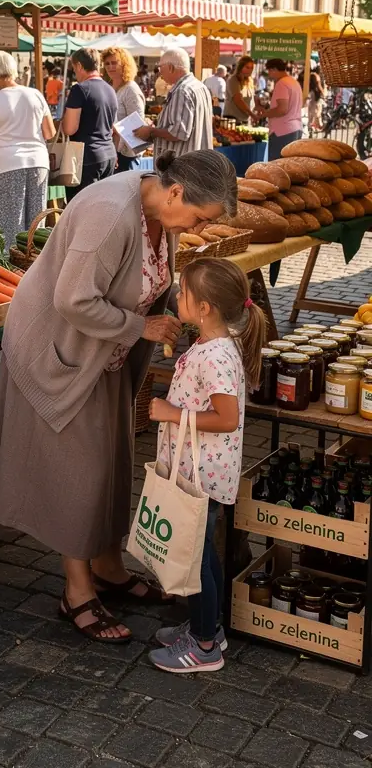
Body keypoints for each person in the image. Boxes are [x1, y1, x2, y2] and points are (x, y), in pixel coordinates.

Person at [0, 150, 237, 643]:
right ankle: (76, 592)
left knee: (113, 462)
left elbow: (150, 280)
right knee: (81, 472)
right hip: (59, 349)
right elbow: (72, 300)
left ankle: (108, 568)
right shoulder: (110, 213)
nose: (199, 229)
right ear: (177, 192)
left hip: (104, 352)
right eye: (200, 218)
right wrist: (142, 328)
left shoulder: (162, 211)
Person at [148, 257, 265, 673]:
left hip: (202, 474)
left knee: (192, 559)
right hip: (200, 471)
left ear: (204, 308)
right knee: (201, 553)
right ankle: (209, 627)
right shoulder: (210, 343)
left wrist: (170, 413)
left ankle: (203, 647)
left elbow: (227, 418)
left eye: (183, 292)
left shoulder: (214, 356)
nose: (177, 296)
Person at [0, 51, 55, 250]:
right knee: (35, 226)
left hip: (7, 164)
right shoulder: (35, 94)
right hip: (38, 162)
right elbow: (49, 132)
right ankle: (34, 262)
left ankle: (9, 264)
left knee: (7, 227)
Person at [134, 48, 213, 163]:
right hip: (197, 161)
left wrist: (151, 131)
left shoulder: (182, 90)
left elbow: (178, 133)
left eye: (160, 67)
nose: (160, 72)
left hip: (182, 164)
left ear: (170, 67)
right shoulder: (200, 86)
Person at [60, 48, 117, 198]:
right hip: (108, 154)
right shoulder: (110, 89)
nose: (75, 73)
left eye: (74, 68)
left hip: (86, 158)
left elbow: (70, 129)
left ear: (79, 65)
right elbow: (111, 127)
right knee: (103, 204)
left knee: (82, 206)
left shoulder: (80, 89)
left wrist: (60, 122)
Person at [102, 47, 147, 173]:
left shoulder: (131, 89)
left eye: (114, 63)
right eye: (107, 63)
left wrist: (115, 128)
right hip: (112, 150)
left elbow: (138, 125)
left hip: (127, 154)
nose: (110, 67)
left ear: (124, 64)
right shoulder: (109, 87)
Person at [256, 57, 303, 159]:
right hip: (295, 128)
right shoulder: (294, 82)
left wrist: (265, 114)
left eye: (269, 71)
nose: (269, 74)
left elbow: (282, 109)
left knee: (277, 164)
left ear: (274, 69)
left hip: (282, 131)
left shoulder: (282, 83)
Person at [224, 56, 255, 124]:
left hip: (244, 119)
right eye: (247, 67)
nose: (250, 70)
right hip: (232, 119)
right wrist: (252, 114)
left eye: (251, 68)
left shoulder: (249, 81)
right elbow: (238, 100)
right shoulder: (233, 79)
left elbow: (251, 99)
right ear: (241, 67)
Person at [307, 64, 325, 132]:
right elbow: (319, 85)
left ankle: (311, 126)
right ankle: (316, 126)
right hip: (315, 95)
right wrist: (323, 93)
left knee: (311, 111)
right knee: (316, 111)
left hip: (310, 93)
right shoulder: (316, 76)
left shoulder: (311, 75)